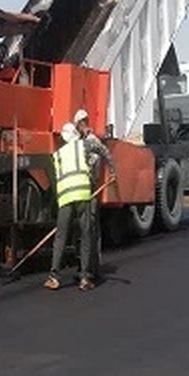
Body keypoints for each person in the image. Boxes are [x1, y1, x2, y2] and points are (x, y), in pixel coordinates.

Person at [45, 123, 97, 291]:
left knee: (61, 236)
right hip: (82, 194)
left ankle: (54, 277)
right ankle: (85, 278)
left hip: (65, 197)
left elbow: (55, 178)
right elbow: (95, 158)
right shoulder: (83, 146)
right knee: (86, 234)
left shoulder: (57, 155)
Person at [73, 108, 116, 280]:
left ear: (82, 123)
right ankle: (84, 266)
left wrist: (112, 171)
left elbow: (106, 153)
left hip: (90, 189)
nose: (78, 128)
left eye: (78, 125)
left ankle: (92, 269)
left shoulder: (92, 141)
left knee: (90, 227)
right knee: (83, 228)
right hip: (80, 189)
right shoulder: (79, 141)